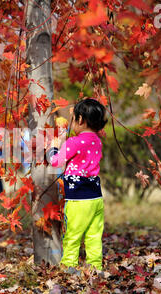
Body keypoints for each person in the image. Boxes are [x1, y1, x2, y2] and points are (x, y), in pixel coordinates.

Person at [47, 98, 108, 272]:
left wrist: (54, 147)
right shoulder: (97, 141)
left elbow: (56, 161)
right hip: (96, 197)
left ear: (80, 120)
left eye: (73, 119)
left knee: (72, 235)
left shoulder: (74, 142)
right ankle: (95, 266)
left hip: (78, 199)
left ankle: (69, 266)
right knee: (94, 235)